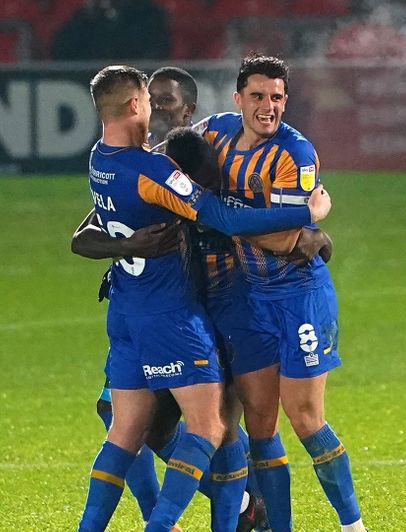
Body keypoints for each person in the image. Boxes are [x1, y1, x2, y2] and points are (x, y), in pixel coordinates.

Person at [76, 64, 330, 532]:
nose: (156, 110)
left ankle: (237, 513)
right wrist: (306, 212)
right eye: (151, 99)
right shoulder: (154, 167)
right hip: (169, 315)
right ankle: (171, 521)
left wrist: (304, 232)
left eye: (167, 102)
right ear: (134, 104)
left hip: (201, 308)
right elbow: (221, 217)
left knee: (209, 427)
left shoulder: (107, 158)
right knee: (194, 426)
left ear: (189, 113)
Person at [199, 53, 364, 532]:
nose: (267, 106)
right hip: (251, 299)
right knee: (260, 423)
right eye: (257, 96)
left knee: (306, 418)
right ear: (238, 98)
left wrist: (221, 217)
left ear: (286, 101)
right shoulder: (214, 132)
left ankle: (353, 525)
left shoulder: (296, 153)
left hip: (299, 297)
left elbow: (287, 238)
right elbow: (173, 157)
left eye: (276, 97)